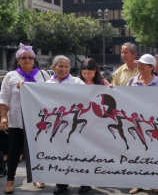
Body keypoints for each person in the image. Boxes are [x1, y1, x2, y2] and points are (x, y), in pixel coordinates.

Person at [0, 43, 50, 193]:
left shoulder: (43, 75)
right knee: (14, 150)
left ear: (34, 59)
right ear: (18, 60)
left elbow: (52, 94)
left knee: (36, 150)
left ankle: (37, 176)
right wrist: (3, 117)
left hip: (38, 121)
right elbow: (3, 98)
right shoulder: (11, 76)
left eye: (30, 57)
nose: (27, 60)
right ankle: (10, 180)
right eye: (24, 58)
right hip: (17, 121)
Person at [46, 55, 90, 194]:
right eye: (60, 66)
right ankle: (61, 183)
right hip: (57, 126)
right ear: (53, 68)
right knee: (60, 154)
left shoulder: (77, 82)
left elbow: (89, 96)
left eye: (66, 66)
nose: (63, 69)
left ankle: (85, 182)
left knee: (79, 153)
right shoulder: (46, 85)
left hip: (74, 125)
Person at [126, 54, 158, 194]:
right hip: (135, 123)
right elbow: (124, 99)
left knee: (154, 151)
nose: (140, 66)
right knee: (136, 152)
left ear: (152, 67)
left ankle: (154, 181)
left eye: (143, 64)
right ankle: (137, 182)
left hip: (153, 123)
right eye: (139, 63)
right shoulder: (131, 81)